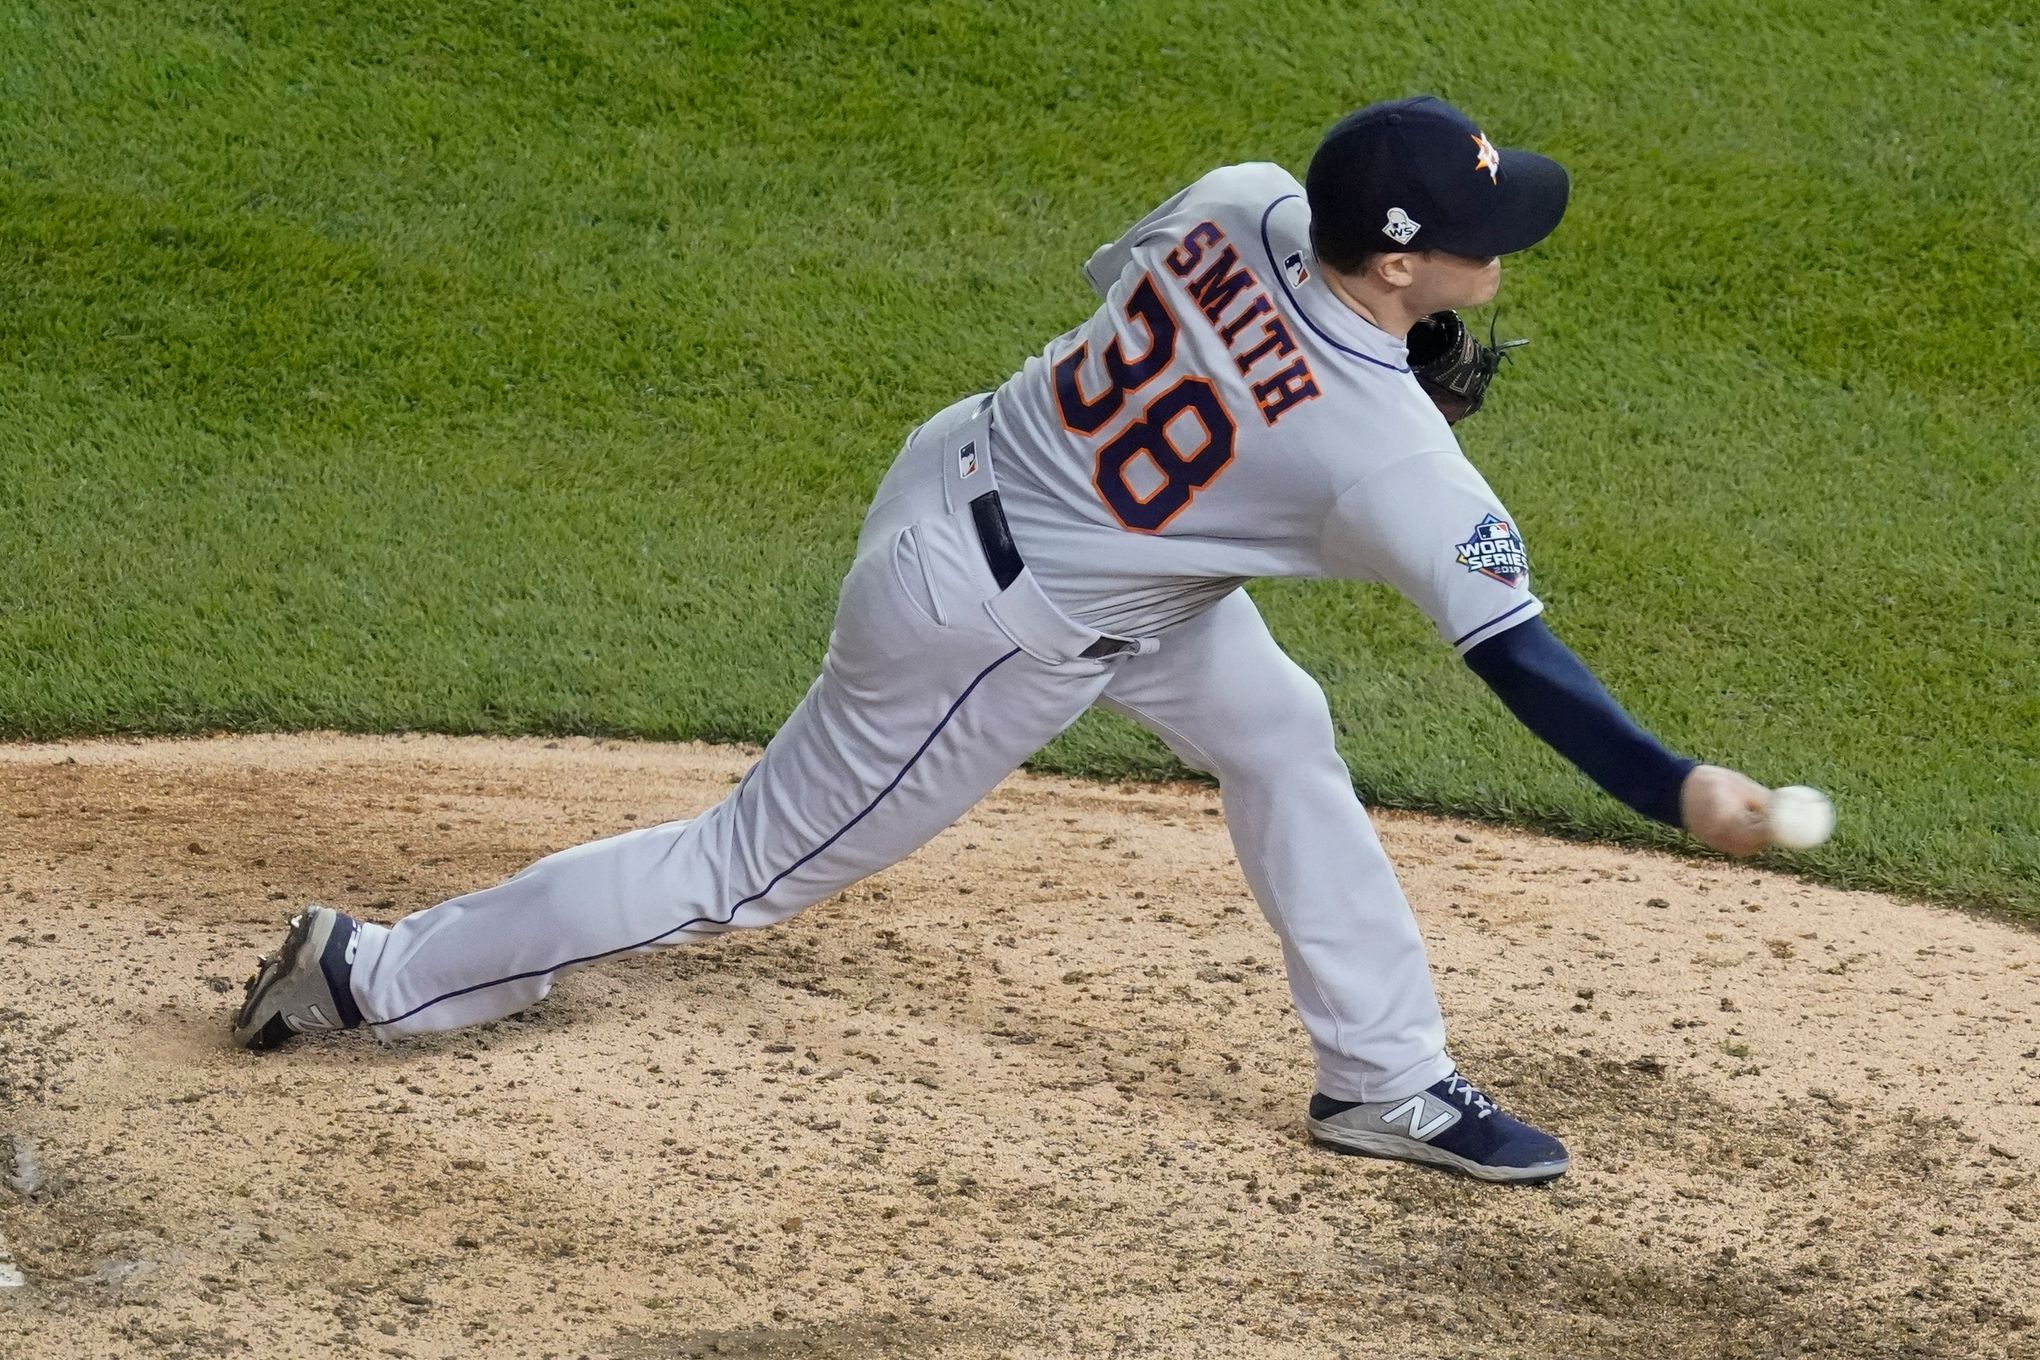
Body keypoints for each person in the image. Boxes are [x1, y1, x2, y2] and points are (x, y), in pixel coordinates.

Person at [233, 96, 1777, 1185]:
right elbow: (1520, 661)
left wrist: (1282, 403)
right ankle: (372, 973)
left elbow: (1139, 310)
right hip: (988, 625)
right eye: (1478, 234)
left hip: (990, 468)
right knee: (742, 869)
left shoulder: (1249, 197)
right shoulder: (1391, 461)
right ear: (1393, 267)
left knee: (1277, 729)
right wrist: (1675, 786)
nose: (1504, 251)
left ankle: (1385, 1084)